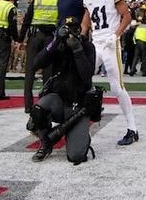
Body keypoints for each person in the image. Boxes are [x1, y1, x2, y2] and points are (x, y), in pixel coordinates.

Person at [26, 16, 103, 165]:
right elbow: (36, 63)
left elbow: (87, 74)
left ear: (80, 31)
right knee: (39, 108)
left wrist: (77, 50)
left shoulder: (87, 46)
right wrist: (55, 42)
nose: (70, 33)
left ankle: (78, 136)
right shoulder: (56, 46)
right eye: (66, 30)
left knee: (76, 156)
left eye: (74, 29)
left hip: (78, 105)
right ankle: (46, 143)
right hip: (58, 101)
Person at [80, 0, 138, 146]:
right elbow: (86, 21)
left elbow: (126, 16)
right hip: (96, 44)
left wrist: (116, 35)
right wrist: (82, 36)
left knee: (117, 87)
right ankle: (88, 111)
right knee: (82, 77)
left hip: (110, 44)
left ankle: (132, 129)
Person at [19, 0, 60, 114]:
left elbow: (27, 20)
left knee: (30, 70)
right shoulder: (57, 0)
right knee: (48, 72)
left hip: (35, 36)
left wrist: (20, 38)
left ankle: (28, 105)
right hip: (50, 38)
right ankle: (45, 103)